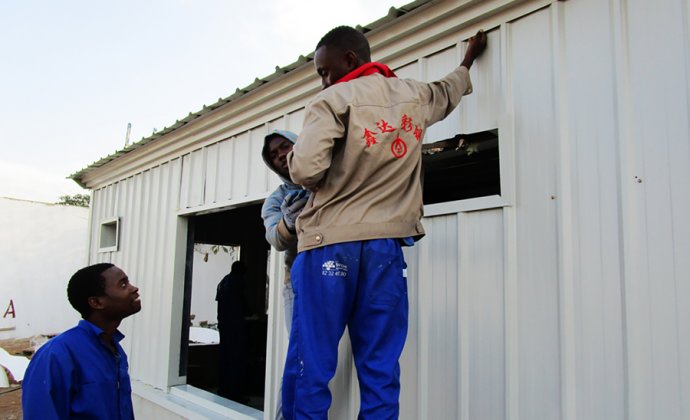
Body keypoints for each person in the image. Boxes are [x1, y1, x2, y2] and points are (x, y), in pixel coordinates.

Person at [283, 26, 488, 419]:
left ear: (350, 61)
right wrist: (468, 59)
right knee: (380, 370)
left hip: (329, 245)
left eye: (325, 71)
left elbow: (307, 170)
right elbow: (449, 90)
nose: (324, 80)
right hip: (385, 252)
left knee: (312, 365)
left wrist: (294, 159)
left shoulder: (332, 100)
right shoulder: (416, 96)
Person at [22, 263, 141, 420]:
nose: (134, 288)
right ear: (96, 302)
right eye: (123, 284)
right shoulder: (57, 354)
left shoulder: (115, 350)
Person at [260, 129, 310, 419]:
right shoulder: (276, 199)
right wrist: (289, 224)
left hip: (339, 273)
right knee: (301, 358)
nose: (280, 155)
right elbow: (275, 240)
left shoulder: (326, 178)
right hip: (298, 283)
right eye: (274, 155)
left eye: (284, 146)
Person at [215, 260, 248, 401]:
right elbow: (242, 303)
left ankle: (223, 389)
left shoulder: (223, 282)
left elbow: (220, 304)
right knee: (235, 359)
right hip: (235, 326)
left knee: (225, 358)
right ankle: (235, 393)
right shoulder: (237, 282)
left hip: (224, 325)